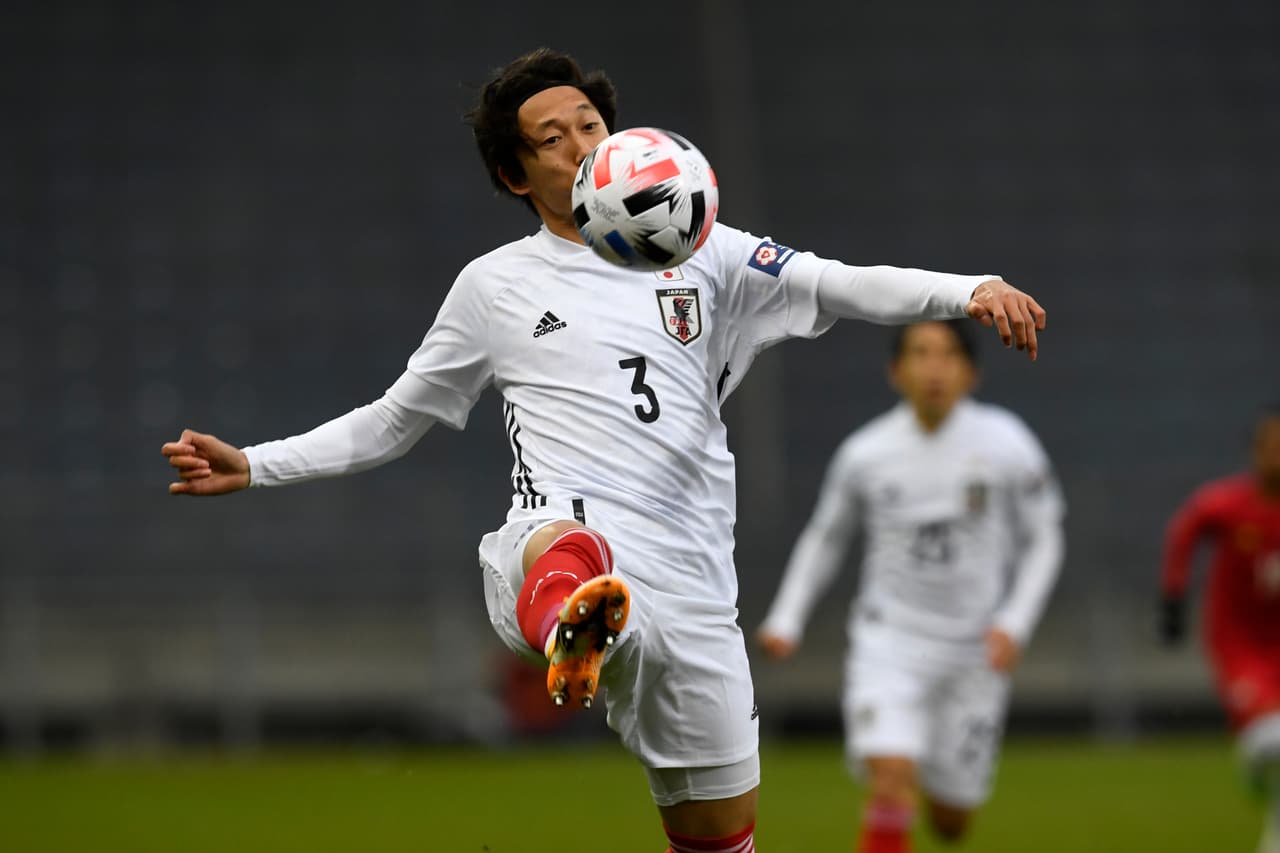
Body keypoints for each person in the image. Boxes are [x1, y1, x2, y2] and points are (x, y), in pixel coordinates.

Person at [161, 48, 1047, 853]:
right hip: (561, 531)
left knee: (720, 835)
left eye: (590, 125)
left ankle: (594, 627)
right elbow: (396, 417)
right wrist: (259, 460)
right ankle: (569, 624)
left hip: (695, 577)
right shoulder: (494, 287)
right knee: (564, 548)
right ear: (515, 175)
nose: (580, 145)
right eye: (552, 139)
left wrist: (967, 288)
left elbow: (842, 283)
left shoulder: (705, 249)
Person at [757, 320, 1064, 853]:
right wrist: (788, 617)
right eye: (920, 354)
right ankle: (898, 778)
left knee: (951, 821)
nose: (934, 368)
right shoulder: (865, 453)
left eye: (947, 355)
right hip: (889, 642)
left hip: (974, 652)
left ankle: (932, 782)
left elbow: (1046, 538)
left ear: (971, 372)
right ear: (896, 371)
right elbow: (826, 538)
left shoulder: (1007, 443)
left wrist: (1014, 623)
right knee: (891, 775)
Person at [1159, 406, 1280, 853]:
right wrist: (1173, 598)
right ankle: (1255, 773)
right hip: (1240, 643)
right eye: (1269, 446)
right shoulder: (1230, 504)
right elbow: (1185, 528)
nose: (1276, 455)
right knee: (1270, 740)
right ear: (1255, 452)